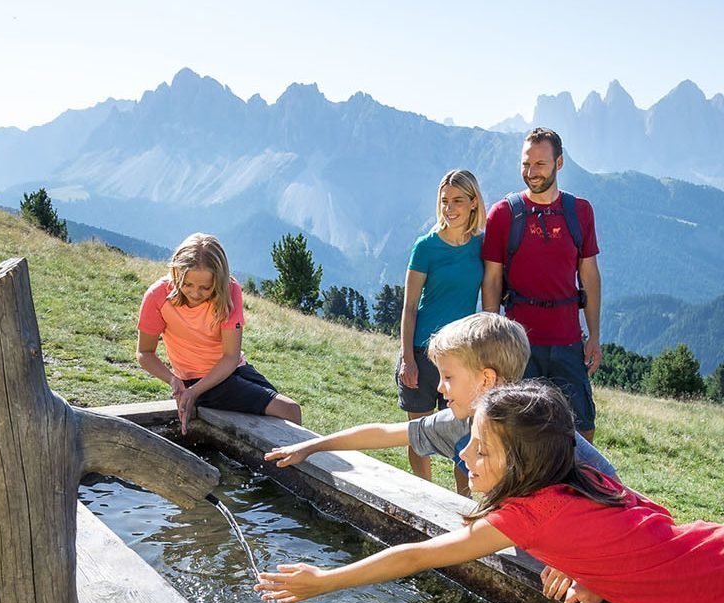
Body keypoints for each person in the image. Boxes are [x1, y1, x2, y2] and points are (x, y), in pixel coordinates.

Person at [258, 381, 724, 603]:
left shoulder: (531, 515)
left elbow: (419, 556)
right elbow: (644, 525)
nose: (464, 456)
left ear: (523, 463)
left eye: (481, 449)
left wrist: (324, 581)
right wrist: (596, 579)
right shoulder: (569, 478)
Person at [263, 312, 615, 492]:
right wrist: (312, 446)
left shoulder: (544, 433)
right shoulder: (460, 421)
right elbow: (385, 433)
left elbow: (611, 490)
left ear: (486, 380)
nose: (441, 389)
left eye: (449, 377)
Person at [481, 127, 603, 443]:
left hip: (568, 341)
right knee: (519, 432)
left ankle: (576, 491)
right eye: (526, 164)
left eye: (540, 164)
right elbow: (492, 278)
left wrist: (595, 336)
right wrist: (493, 337)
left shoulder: (580, 212)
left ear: (559, 163)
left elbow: (588, 274)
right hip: (519, 344)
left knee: (582, 431)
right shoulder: (503, 214)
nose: (531, 172)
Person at [136, 233, 302, 433]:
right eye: (187, 284)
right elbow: (145, 352)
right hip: (197, 380)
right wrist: (175, 381)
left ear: (218, 281)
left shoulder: (230, 291)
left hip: (233, 369)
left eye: (205, 288)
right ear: (176, 273)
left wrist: (193, 393)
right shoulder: (157, 296)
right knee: (289, 410)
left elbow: (231, 356)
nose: (195, 293)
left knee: (283, 418)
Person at [398, 169, 486, 491]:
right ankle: (426, 496)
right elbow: (409, 307)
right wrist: (407, 357)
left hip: (462, 358)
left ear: (474, 202)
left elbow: (489, 306)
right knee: (419, 434)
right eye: (445, 201)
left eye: (458, 201)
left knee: (464, 439)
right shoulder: (425, 247)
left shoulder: (482, 248)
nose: (450, 208)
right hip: (422, 354)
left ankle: (461, 503)